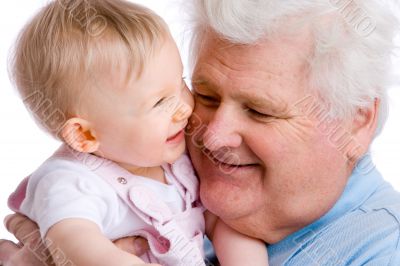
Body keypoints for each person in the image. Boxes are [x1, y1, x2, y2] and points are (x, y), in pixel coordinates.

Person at [1, 0, 400, 265]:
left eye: (260, 111)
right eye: (205, 94)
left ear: (355, 121)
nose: (211, 137)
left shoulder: (382, 249)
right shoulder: (162, 172)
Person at [0, 1, 269, 266]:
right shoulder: (70, 183)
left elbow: (219, 221)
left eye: (181, 83)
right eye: (159, 103)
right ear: (85, 135)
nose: (184, 109)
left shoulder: (174, 160)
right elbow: (77, 247)